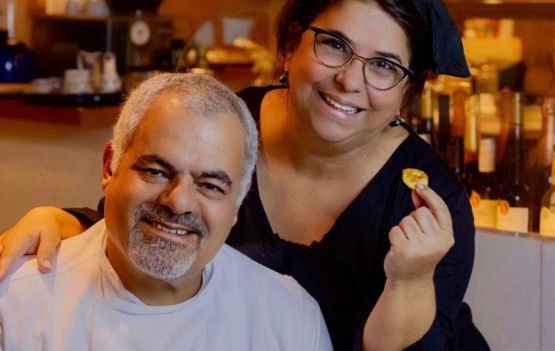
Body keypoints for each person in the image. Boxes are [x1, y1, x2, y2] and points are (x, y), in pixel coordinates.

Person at [0, 1, 489, 350]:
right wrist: (66, 220)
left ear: (407, 93)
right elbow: (152, 216)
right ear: (292, 46)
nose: (350, 79)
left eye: (384, 65)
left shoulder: (427, 200)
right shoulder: (229, 125)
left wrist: (410, 281)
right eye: (334, 45)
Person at [0, 73, 334, 351]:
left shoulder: (290, 321)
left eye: (210, 186)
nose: (178, 202)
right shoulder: (16, 300)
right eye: (156, 171)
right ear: (109, 166)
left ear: (237, 204)